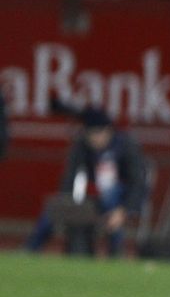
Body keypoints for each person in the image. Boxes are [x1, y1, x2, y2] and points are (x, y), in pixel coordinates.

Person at [25, 108, 147, 257]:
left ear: (107, 131)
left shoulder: (125, 145)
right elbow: (70, 178)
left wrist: (124, 210)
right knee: (53, 210)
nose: (94, 139)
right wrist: (66, 203)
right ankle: (29, 251)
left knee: (111, 197)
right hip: (90, 197)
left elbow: (138, 183)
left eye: (97, 134)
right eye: (90, 134)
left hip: (119, 199)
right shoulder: (82, 146)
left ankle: (116, 253)